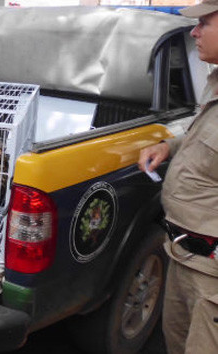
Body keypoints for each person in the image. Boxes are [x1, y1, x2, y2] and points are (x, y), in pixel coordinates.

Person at [138, 1, 218, 353]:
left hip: (211, 276)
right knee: (175, 343)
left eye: (204, 23)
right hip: (181, 253)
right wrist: (170, 145)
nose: (194, 32)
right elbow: (207, 137)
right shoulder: (215, 82)